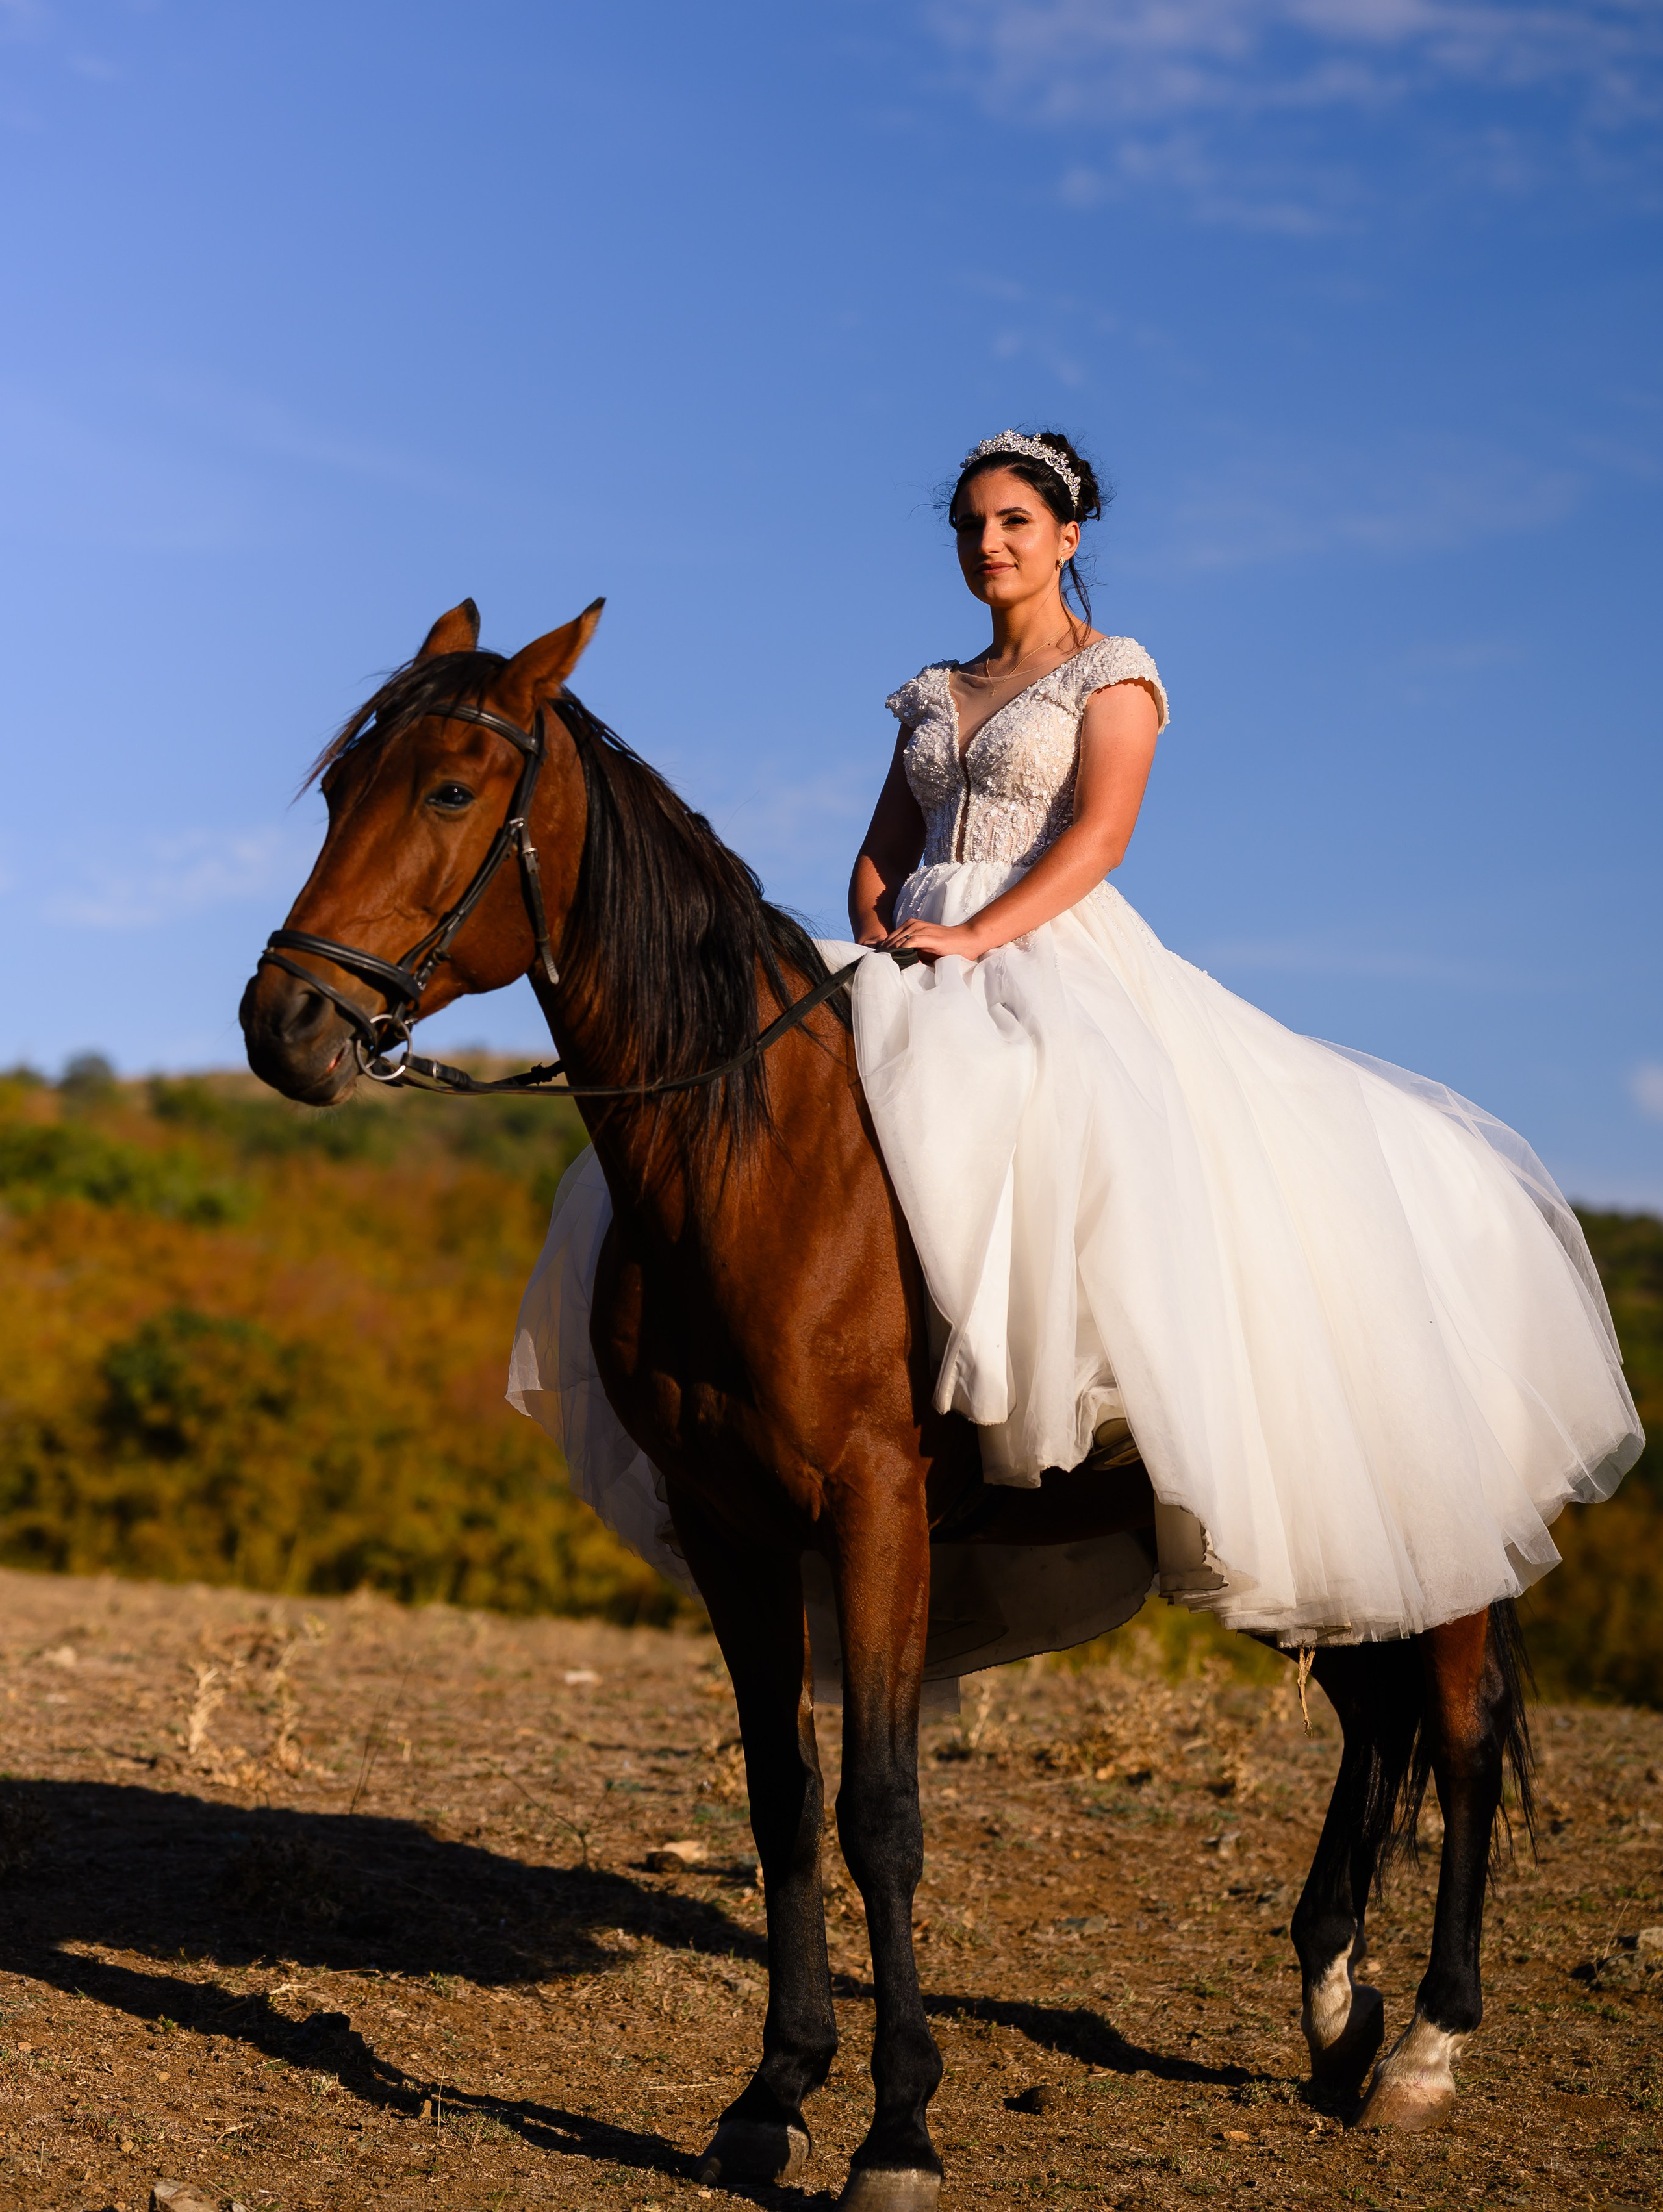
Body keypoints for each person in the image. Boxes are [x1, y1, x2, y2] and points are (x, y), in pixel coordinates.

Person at [513, 425, 1639, 1657]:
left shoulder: (1113, 676)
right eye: (971, 528)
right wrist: (885, 924)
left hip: (1048, 946)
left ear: (1066, 538)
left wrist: (982, 933)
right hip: (912, 954)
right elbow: (884, 846)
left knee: (1050, 1115)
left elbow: (1100, 837)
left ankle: (1079, 1407)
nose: (988, 546)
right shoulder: (934, 692)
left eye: (1013, 524)